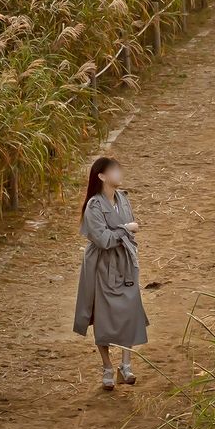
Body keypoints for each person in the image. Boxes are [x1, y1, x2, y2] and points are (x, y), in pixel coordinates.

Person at [73, 155, 149, 390]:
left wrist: (122, 232)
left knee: (129, 311)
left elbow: (122, 234)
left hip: (125, 262)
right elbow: (104, 239)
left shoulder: (123, 199)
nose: (119, 174)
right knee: (103, 316)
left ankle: (125, 366)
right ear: (102, 176)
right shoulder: (94, 205)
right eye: (114, 171)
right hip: (102, 265)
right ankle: (107, 366)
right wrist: (125, 229)